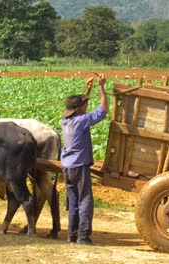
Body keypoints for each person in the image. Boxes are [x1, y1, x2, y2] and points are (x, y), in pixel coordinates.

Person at [60, 75, 109, 245]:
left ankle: (72, 236)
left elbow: (83, 110)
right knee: (85, 200)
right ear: (79, 109)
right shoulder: (81, 122)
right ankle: (83, 237)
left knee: (73, 202)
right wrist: (102, 87)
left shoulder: (65, 121)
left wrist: (88, 90)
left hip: (67, 167)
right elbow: (103, 110)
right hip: (80, 166)